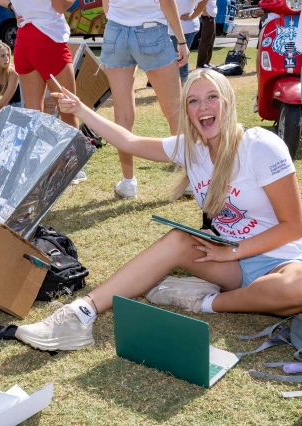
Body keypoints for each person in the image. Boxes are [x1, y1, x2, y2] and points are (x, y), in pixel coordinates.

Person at [15, 68, 302, 351]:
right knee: (178, 239)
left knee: (295, 289)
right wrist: (80, 109)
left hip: (281, 260)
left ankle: (204, 302)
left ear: (228, 101)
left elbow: (294, 226)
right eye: (193, 101)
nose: (204, 107)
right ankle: (80, 313)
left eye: (212, 97)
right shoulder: (191, 148)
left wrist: (235, 251)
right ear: (187, 112)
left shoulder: (260, 146)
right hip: (229, 262)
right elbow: (129, 142)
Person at [97, 0, 190, 200]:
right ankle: (189, 179)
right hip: (150, 30)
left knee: (122, 115)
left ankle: (128, 182)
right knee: (175, 110)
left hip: (115, 31)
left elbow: (106, 5)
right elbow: (166, 2)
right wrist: (181, 40)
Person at [0, 0, 78, 130]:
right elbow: (60, 6)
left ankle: (37, 150)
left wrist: (12, 6)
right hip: (49, 39)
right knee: (69, 110)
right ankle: (73, 151)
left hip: (24, 40)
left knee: (34, 114)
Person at [169, 0, 208, 83]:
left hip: (185, 27)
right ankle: (179, 85)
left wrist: (193, 15)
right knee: (174, 58)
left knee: (180, 57)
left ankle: (184, 85)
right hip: (168, 28)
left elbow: (203, 1)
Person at [196, 0, 217, 69]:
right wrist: (204, 10)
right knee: (206, 40)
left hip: (211, 15)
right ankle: (201, 63)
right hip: (208, 15)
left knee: (211, 40)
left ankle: (206, 62)